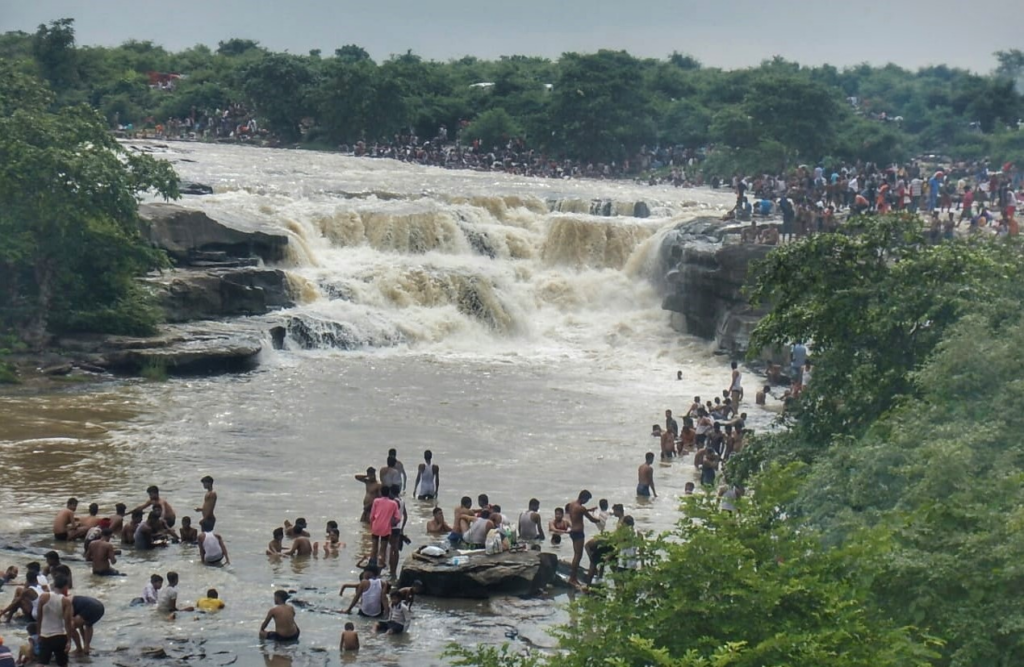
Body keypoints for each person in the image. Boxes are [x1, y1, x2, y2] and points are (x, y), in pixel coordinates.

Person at [36, 573, 76, 666]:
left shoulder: (43, 597)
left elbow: (39, 617)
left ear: (54, 584)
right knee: (62, 664)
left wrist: (38, 634)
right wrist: (69, 641)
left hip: (45, 635)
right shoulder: (66, 601)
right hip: (60, 636)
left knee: (41, 663)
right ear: (65, 586)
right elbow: (67, 622)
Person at [566, 490, 601, 587]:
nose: (586, 502)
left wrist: (588, 510)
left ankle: (573, 577)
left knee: (576, 555)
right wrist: (600, 518)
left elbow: (579, 512)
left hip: (572, 531)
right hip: (579, 533)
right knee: (578, 556)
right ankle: (573, 578)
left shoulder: (572, 505)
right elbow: (592, 520)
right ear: (584, 498)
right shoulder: (581, 508)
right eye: (587, 500)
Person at [369, 486, 401, 567]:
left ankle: (372, 565)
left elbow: (371, 516)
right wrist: (392, 523)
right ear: (389, 493)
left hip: (376, 527)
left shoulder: (376, 501)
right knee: (382, 549)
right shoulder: (393, 503)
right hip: (386, 529)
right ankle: (380, 565)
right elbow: (398, 518)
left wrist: (372, 526)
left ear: (380, 492)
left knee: (374, 548)